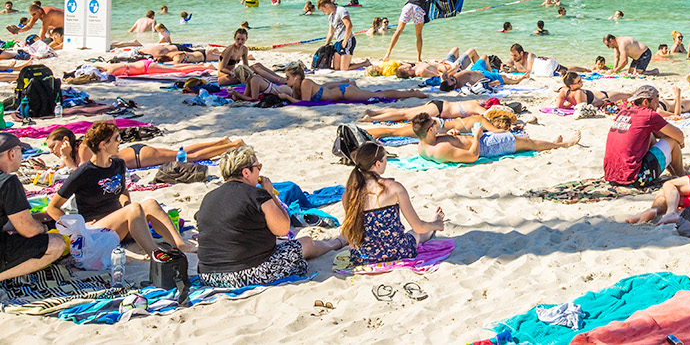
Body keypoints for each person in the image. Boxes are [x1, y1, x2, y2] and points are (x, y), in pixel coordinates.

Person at [195, 146, 345, 288]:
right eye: (258, 167)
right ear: (246, 172)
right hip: (244, 275)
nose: (259, 172)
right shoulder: (257, 195)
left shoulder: (208, 198)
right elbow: (283, 228)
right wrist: (270, 194)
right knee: (305, 243)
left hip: (209, 276)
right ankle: (336, 243)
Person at [44, 122, 190, 255]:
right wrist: (78, 227)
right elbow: (53, 208)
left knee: (150, 203)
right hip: (96, 230)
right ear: (103, 145)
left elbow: (123, 191)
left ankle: (180, 245)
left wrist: (128, 206)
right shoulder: (84, 172)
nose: (120, 141)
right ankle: (156, 254)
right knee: (134, 209)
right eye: (116, 138)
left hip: (121, 224)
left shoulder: (118, 164)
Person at [340, 142, 445, 262]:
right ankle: (433, 224)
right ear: (377, 164)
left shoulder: (348, 195)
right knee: (416, 233)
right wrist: (436, 224)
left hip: (365, 255)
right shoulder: (394, 188)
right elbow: (418, 227)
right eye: (385, 160)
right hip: (397, 251)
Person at [0, 131, 67, 280]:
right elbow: (29, 231)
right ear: (12, 153)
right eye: (21, 151)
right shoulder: (8, 182)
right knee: (57, 243)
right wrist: (45, 228)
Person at [47, 127, 242, 170]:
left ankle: (233, 145)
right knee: (182, 151)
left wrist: (66, 159)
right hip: (138, 153)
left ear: (65, 140)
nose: (52, 151)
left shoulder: (82, 148)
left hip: (140, 156)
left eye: (53, 146)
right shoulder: (77, 150)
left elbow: (83, 171)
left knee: (187, 157)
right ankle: (222, 142)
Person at [409, 113, 578, 163]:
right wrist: (476, 136)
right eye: (434, 124)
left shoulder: (423, 144)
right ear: (430, 130)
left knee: (525, 142)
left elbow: (450, 145)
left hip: (478, 140)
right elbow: (472, 156)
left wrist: (453, 136)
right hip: (486, 146)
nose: (438, 124)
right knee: (526, 142)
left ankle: (551, 144)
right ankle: (562, 145)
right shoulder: (440, 149)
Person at [603, 84, 685, 184]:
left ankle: (674, 173)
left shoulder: (623, 112)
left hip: (611, 175)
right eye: (656, 102)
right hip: (636, 178)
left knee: (649, 135)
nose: (658, 106)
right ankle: (682, 176)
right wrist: (680, 143)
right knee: (671, 140)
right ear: (646, 102)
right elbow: (679, 135)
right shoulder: (649, 115)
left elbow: (654, 133)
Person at [382, 0, 459, 63]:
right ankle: (418, 58)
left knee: (398, 31)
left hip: (408, 6)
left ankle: (387, 54)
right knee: (418, 34)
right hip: (418, 8)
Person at [271, 63, 426, 104]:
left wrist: (287, 97)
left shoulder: (305, 83)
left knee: (380, 95)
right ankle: (412, 93)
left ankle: (413, 93)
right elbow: (325, 88)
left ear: (297, 77)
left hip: (345, 92)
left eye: (288, 77)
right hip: (340, 90)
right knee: (378, 94)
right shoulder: (299, 86)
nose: (286, 80)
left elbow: (304, 103)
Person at [317, 0, 356, 71]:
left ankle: (365, 63)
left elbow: (349, 25)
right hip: (338, 41)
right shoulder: (330, 16)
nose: (323, 12)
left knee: (344, 69)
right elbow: (331, 32)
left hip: (348, 40)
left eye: (323, 10)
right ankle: (347, 62)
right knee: (336, 68)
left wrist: (345, 40)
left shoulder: (341, 10)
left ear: (327, 5)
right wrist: (326, 45)